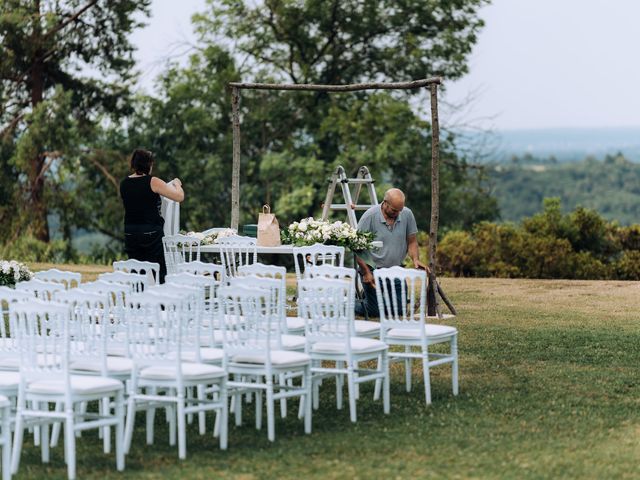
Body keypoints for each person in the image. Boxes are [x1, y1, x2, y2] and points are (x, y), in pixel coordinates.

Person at [354, 188, 427, 318]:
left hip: (396, 271)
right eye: (394, 210)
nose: (398, 213)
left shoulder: (407, 214)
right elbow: (358, 248)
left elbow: (412, 242)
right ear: (385, 203)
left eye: (400, 210)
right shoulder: (369, 216)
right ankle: (351, 303)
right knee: (375, 312)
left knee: (399, 311)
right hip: (373, 271)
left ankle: (371, 298)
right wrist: (366, 272)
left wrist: (415, 259)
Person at [119, 149, 184, 283]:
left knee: (137, 273)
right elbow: (179, 197)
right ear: (149, 164)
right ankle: (160, 302)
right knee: (159, 272)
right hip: (150, 233)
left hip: (130, 232)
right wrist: (177, 184)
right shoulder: (152, 181)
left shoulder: (124, 184)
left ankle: (138, 302)